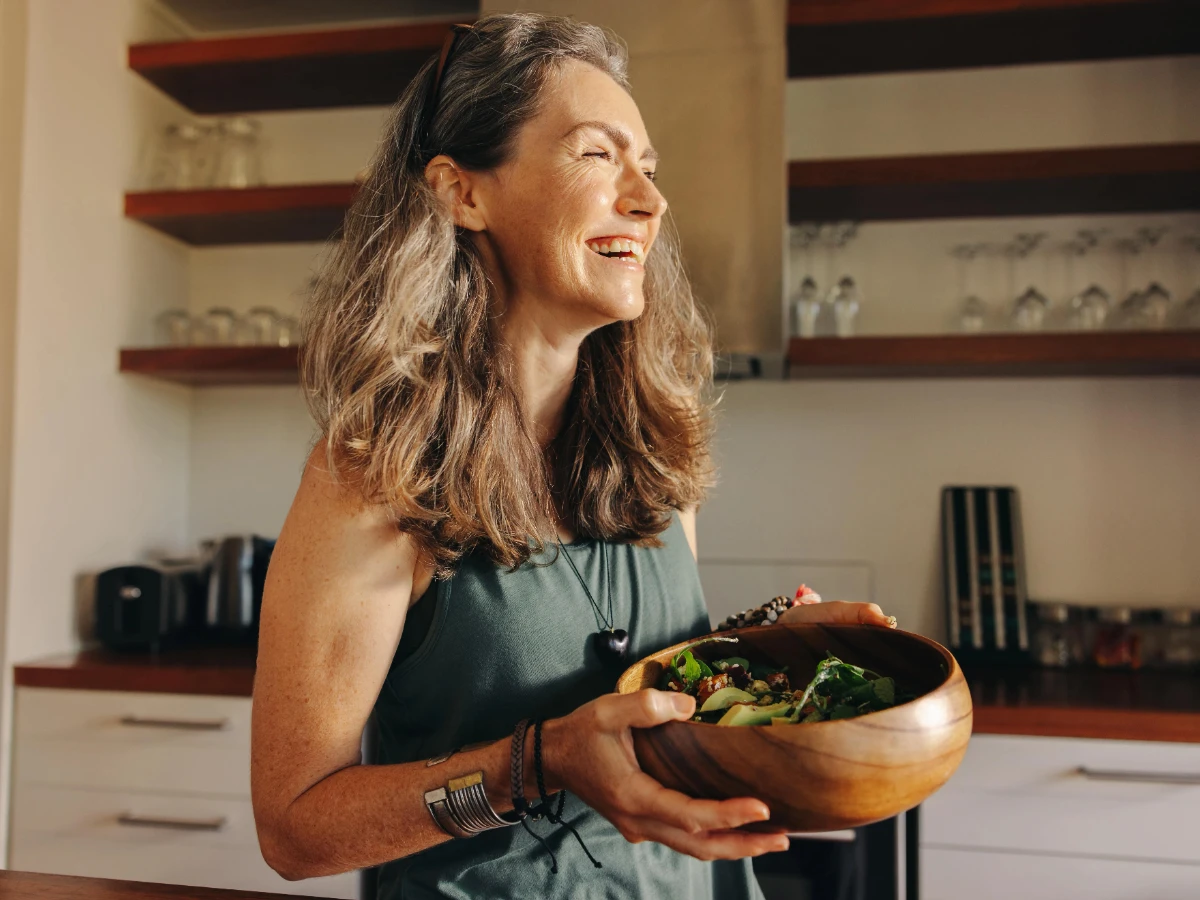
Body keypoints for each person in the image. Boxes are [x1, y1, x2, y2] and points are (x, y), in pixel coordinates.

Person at [249, 12, 895, 899]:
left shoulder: (654, 452)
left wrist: (768, 647)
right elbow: (294, 827)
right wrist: (537, 764)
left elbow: (652, 691)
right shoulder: (370, 476)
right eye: (598, 155)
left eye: (651, 170)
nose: (650, 199)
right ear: (462, 193)